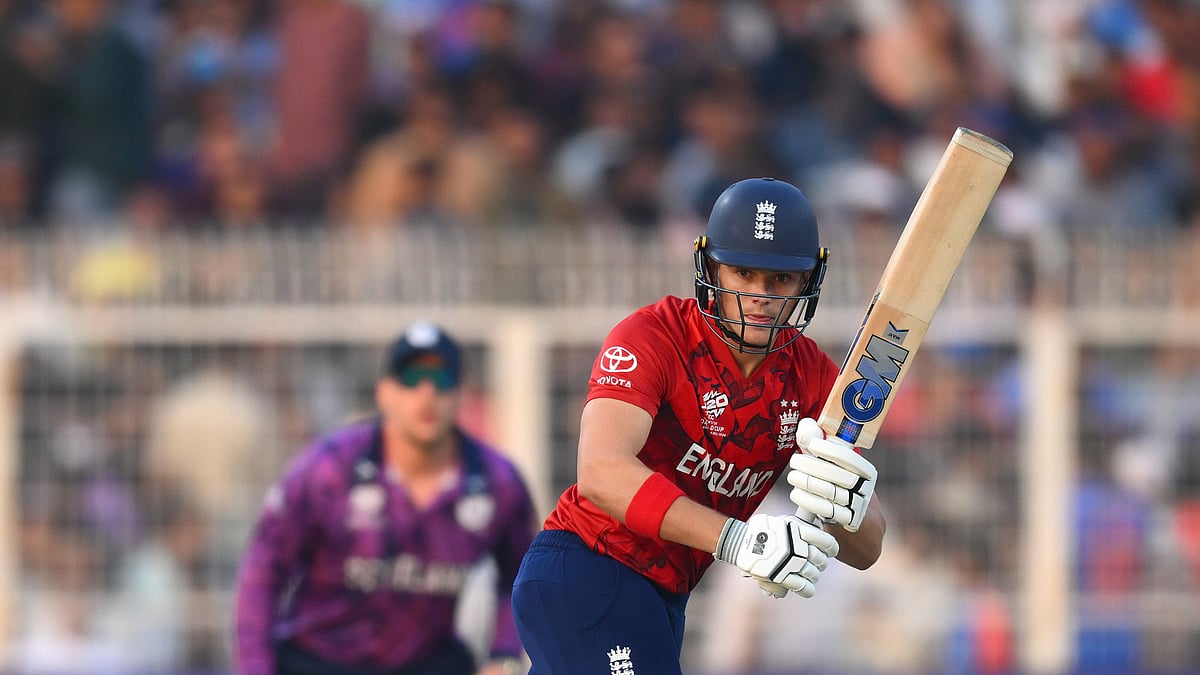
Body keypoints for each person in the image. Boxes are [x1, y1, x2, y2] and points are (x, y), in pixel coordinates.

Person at [512, 177, 888, 674]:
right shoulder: (654, 335)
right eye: (743, 273)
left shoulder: (815, 379)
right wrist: (739, 541)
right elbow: (601, 471)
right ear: (710, 268)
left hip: (664, 597)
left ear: (806, 281)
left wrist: (849, 503)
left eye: (780, 280)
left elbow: (868, 549)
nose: (760, 295)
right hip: (589, 569)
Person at [234, 321, 535, 675]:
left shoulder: (497, 482)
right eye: (411, 379)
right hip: (319, 662)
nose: (427, 394)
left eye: (441, 380)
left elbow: (522, 579)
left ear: (460, 395)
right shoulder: (328, 469)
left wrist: (503, 655)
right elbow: (262, 574)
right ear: (384, 392)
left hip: (427, 663)